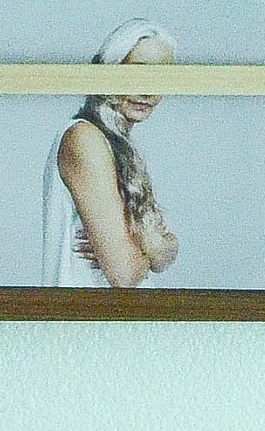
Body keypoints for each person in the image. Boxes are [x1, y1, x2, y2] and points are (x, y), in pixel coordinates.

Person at [46, 19, 179, 288]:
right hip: (85, 321)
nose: (147, 91)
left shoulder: (118, 146)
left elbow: (164, 256)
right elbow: (125, 273)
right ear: (107, 71)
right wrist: (149, 244)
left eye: (161, 78)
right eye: (137, 74)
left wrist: (149, 245)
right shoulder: (85, 138)